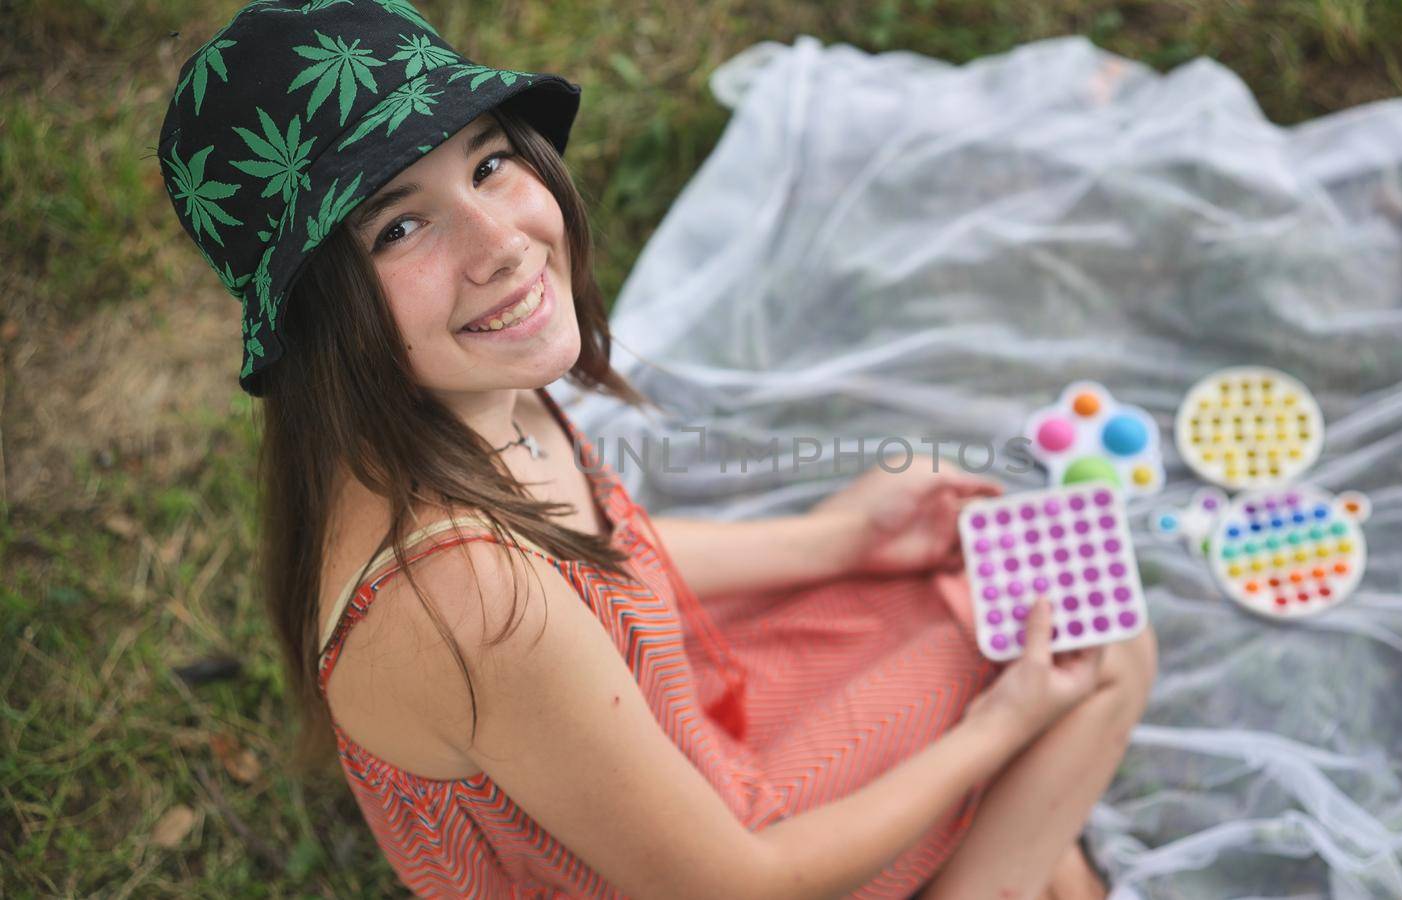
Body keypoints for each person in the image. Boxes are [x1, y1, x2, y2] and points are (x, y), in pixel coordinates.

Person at [156, 2, 1158, 897]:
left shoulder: (451, 401)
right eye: (401, 227)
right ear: (320, 316)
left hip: (667, 741)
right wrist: (1004, 724)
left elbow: (607, 573)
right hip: (714, 864)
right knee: (1097, 648)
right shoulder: (470, 607)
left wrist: (837, 541)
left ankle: (1016, 843)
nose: (498, 241)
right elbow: (744, 883)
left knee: (982, 590)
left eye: (489, 163)